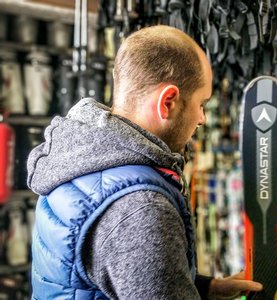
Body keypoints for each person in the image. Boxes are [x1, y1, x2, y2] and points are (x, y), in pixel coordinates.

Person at [27, 25, 264, 299]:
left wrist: (206, 288)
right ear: (169, 102)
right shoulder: (141, 209)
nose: (202, 119)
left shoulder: (82, 160)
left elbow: (115, 276)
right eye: (202, 103)